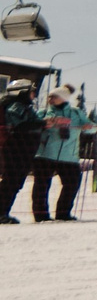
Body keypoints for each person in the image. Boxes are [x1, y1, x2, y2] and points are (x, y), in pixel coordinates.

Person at [32, 86, 88, 222]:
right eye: (49, 96)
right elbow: (33, 127)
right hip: (45, 154)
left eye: (54, 96)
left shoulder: (76, 113)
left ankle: (63, 214)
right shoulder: (43, 112)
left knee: (72, 184)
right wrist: (43, 125)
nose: (50, 99)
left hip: (69, 156)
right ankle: (41, 215)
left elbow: (92, 126)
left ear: (63, 98)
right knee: (42, 185)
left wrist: (89, 128)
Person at [1, 78, 39, 223]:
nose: (33, 95)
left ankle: (3, 212)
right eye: (31, 92)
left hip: (22, 148)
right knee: (11, 181)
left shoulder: (22, 106)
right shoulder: (15, 106)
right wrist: (42, 123)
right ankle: (1, 212)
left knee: (15, 182)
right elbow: (20, 125)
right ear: (22, 92)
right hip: (16, 148)